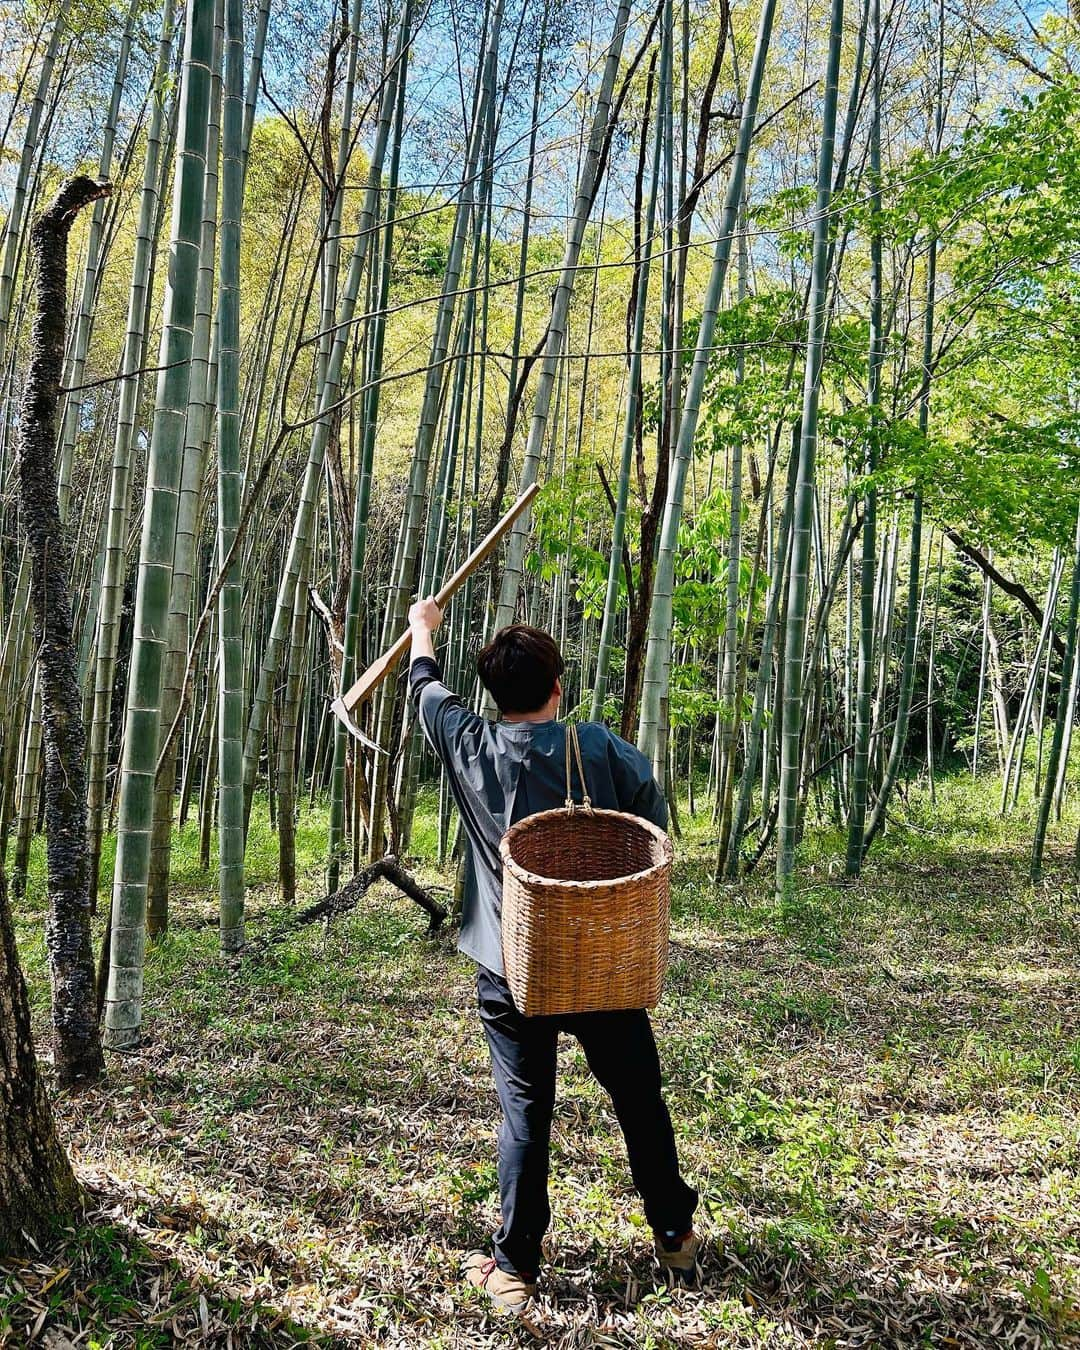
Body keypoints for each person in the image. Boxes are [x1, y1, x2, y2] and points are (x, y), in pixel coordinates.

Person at [407, 596, 698, 1314]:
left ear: (495, 696)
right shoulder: (599, 749)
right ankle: (674, 1234)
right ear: (558, 688)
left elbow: (424, 689)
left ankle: (513, 1270)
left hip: (513, 966)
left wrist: (422, 630)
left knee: (525, 1110)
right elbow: (651, 824)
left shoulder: (469, 743)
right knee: (638, 1098)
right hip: (604, 962)